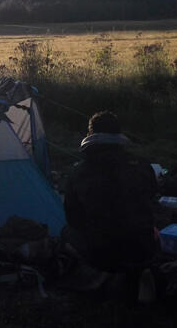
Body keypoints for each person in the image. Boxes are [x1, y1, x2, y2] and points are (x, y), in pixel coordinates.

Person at [63, 111, 160, 272]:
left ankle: (96, 272)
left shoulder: (78, 173)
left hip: (101, 256)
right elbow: (150, 200)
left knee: (66, 232)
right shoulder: (143, 166)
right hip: (143, 249)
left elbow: (73, 218)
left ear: (90, 135)